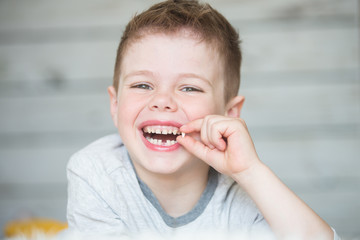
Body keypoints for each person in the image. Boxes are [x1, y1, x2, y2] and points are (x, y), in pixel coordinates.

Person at [66, 0, 339, 239]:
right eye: (142, 85)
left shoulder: (241, 193)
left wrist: (250, 172)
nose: (162, 100)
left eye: (189, 88)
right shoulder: (95, 172)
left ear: (229, 114)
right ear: (115, 105)